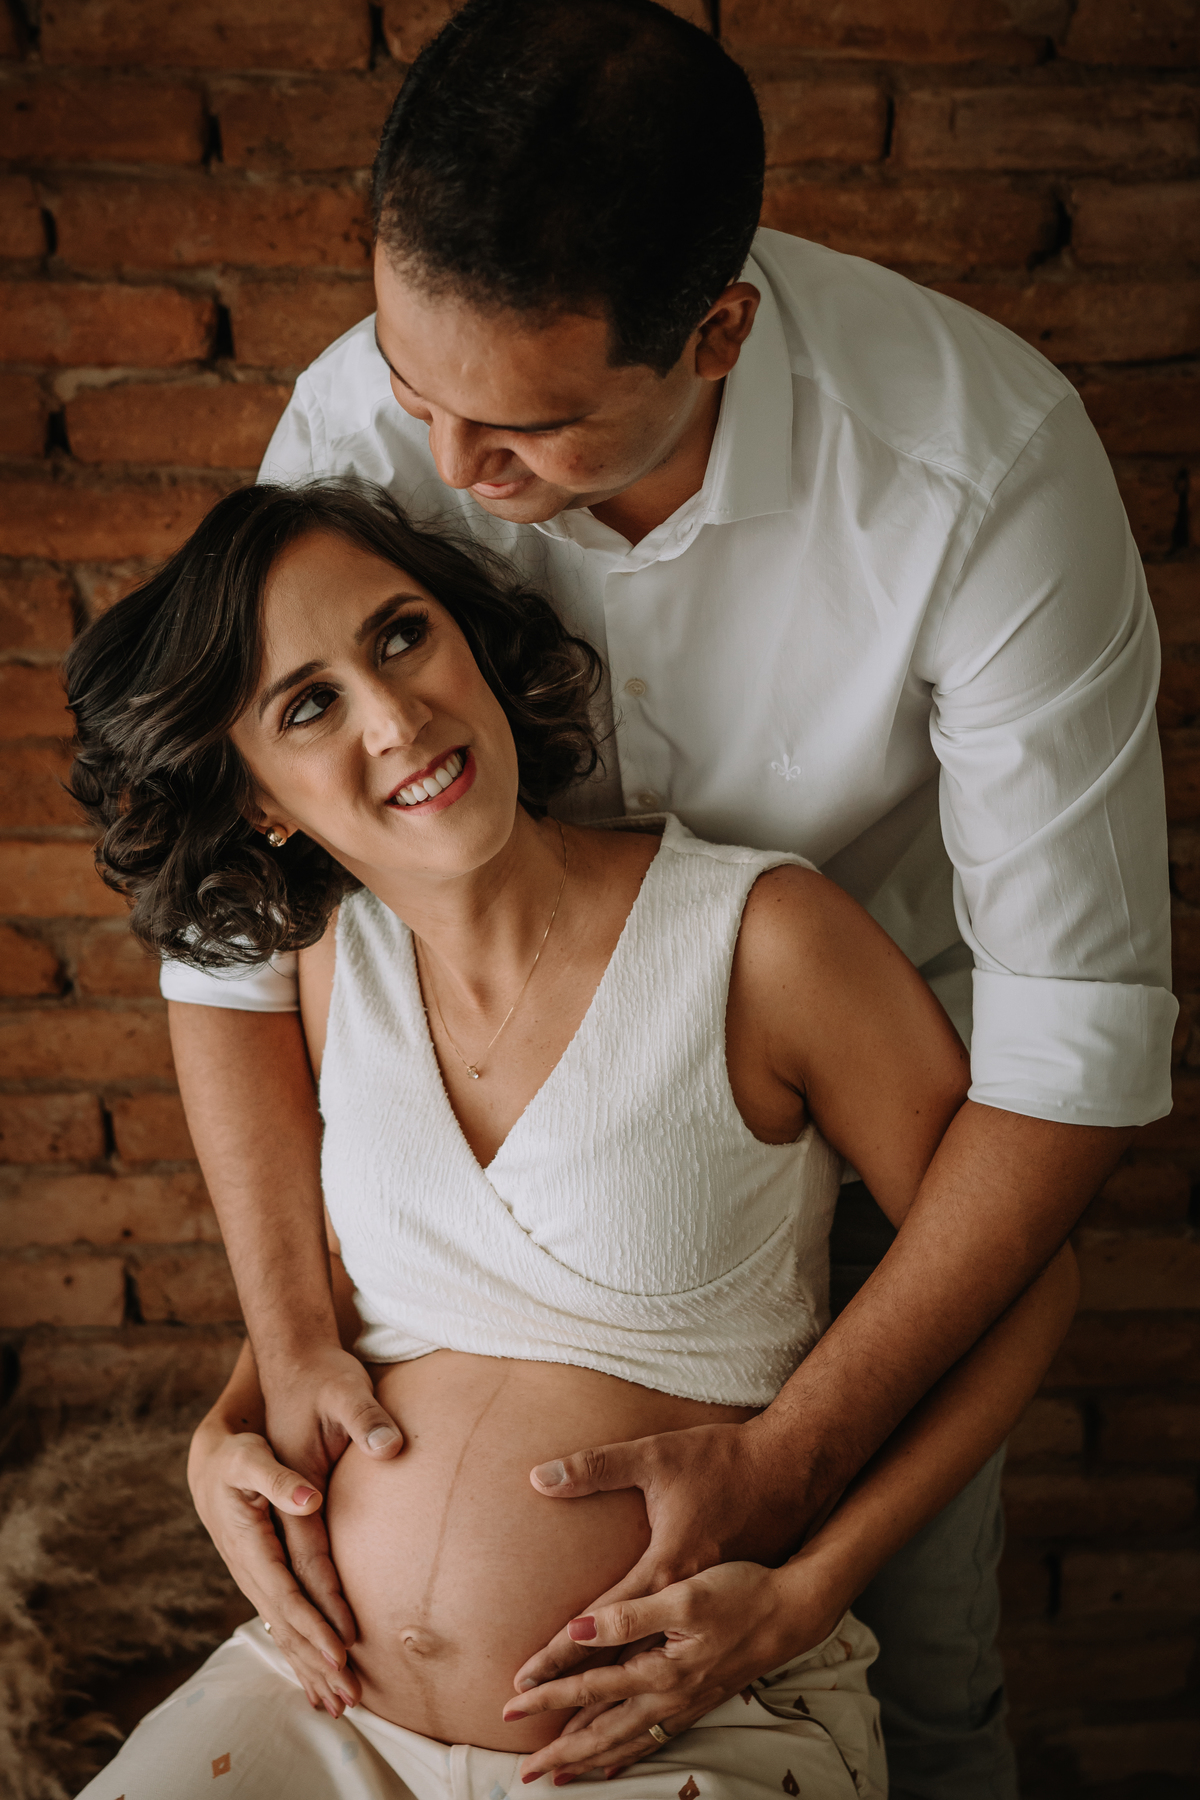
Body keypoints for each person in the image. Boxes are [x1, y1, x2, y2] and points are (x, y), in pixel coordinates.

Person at [155, 3, 1175, 1796]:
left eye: (527, 432)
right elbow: (237, 934)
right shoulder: (368, 412)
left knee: (927, 1670)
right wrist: (292, 1341)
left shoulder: (982, 465)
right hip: (489, 1048)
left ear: (717, 334)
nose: (446, 471)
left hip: (882, 1094)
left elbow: (1069, 1049)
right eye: (416, 391)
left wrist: (792, 1473)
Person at [67, 480, 1079, 1800]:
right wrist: (226, 1425)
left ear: (471, 642)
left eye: (401, 636)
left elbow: (1019, 1274)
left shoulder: (763, 941)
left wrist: (810, 1589)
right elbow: (358, 1285)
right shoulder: (329, 964)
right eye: (308, 706)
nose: (395, 717)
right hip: (321, 1704)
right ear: (260, 800)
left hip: (682, 1713)